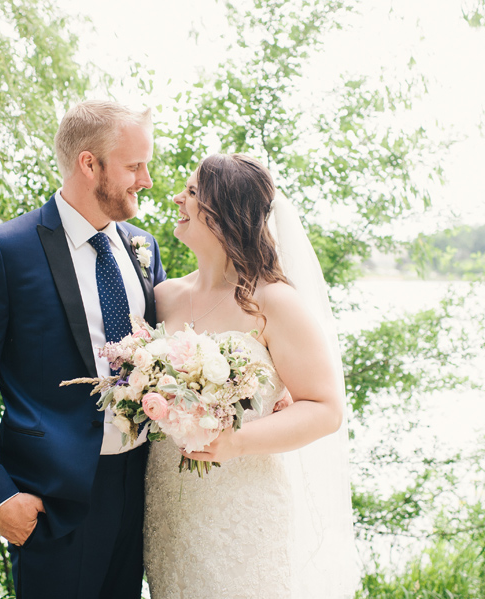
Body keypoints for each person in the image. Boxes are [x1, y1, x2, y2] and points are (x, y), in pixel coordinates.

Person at [0, 100, 166, 598]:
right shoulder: (4, 252)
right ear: (89, 164)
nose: (146, 180)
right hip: (53, 506)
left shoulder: (143, 248)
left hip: (140, 491)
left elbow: (170, 358)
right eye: (134, 166)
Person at [143, 154, 359, 598]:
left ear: (223, 212)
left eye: (191, 192)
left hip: (243, 507)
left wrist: (234, 442)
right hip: (169, 506)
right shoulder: (163, 297)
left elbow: (325, 409)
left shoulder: (274, 302)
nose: (176, 199)